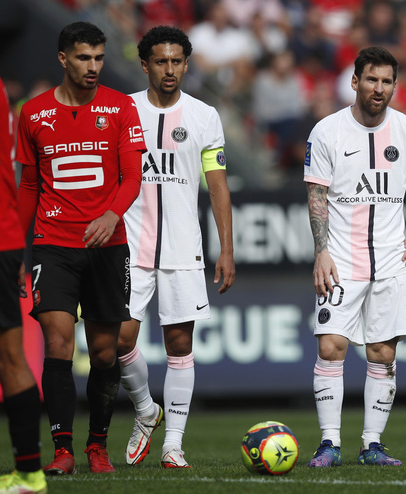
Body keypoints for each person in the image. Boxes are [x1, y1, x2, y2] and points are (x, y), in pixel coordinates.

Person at [16, 21, 145, 475]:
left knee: (106, 353)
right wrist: (16, 250)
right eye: (84, 57)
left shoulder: (121, 107)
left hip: (109, 245)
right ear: (63, 58)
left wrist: (111, 215)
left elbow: (133, 177)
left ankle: (97, 446)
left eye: (99, 58)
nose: (93, 66)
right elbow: (29, 184)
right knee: (57, 341)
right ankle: (63, 450)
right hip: (53, 243)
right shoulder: (33, 114)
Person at [304, 46, 406, 467]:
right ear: (355, 81)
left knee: (383, 353)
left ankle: (371, 445)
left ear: (395, 86)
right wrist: (321, 251)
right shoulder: (327, 131)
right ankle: (329, 443)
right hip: (341, 259)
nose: (379, 88)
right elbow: (316, 194)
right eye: (371, 79)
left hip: (392, 259)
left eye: (386, 81)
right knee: (331, 346)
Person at [117, 25, 235, 469]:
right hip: (130, 245)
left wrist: (226, 249)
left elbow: (217, 186)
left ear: (186, 65)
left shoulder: (204, 116)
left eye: (176, 61)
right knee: (117, 341)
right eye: (160, 61)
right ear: (145, 65)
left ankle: (173, 444)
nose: (169, 69)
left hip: (184, 246)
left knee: (179, 343)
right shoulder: (123, 110)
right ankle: (146, 410)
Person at [0, 72, 47, 494]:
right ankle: (30, 474)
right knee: (10, 358)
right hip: (4, 236)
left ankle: (30, 474)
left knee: (9, 359)